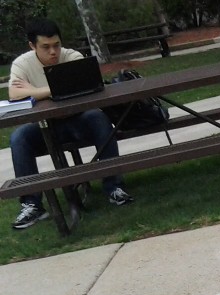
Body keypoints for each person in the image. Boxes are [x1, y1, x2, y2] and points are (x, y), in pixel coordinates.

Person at [7, 18, 133, 230]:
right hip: (44, 127)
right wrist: (56, 89)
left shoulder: (73, 57)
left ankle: (114, 187)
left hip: (78, 121)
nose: (53, 52)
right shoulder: (22, 64)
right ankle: (32, 204)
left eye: (56, 45)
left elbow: (86, 84)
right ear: (32, 46)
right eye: (45, 47)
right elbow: (14, 93)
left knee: (98, 118)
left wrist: (35, 91)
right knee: (19, 137)